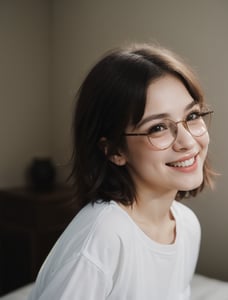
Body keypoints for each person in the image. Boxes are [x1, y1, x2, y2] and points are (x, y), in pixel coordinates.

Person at [28, 43, 215, 300]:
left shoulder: (186, 225)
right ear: (114, 150)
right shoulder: (103, 236)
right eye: (158, 127)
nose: (188, 142)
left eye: (193, 115)